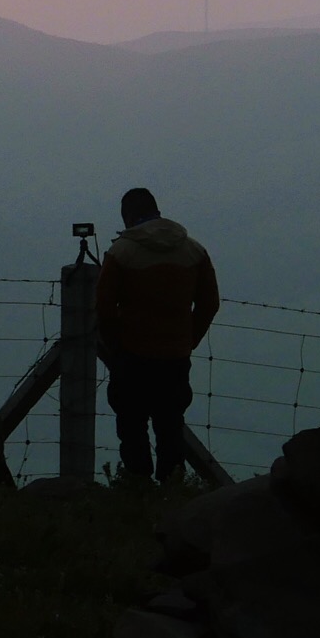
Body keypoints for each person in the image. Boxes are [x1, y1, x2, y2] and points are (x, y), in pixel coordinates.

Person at [93, 185, 218, 483]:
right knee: (171, 424)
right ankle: (173, 488)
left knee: (131, 425)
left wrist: (114, 346)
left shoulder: (121, 252)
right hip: (175, 356)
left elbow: (104, 308)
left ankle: (137, 487)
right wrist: (188, 340)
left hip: (132, 355)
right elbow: (209, 304)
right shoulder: (194, 251)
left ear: (128, 216)